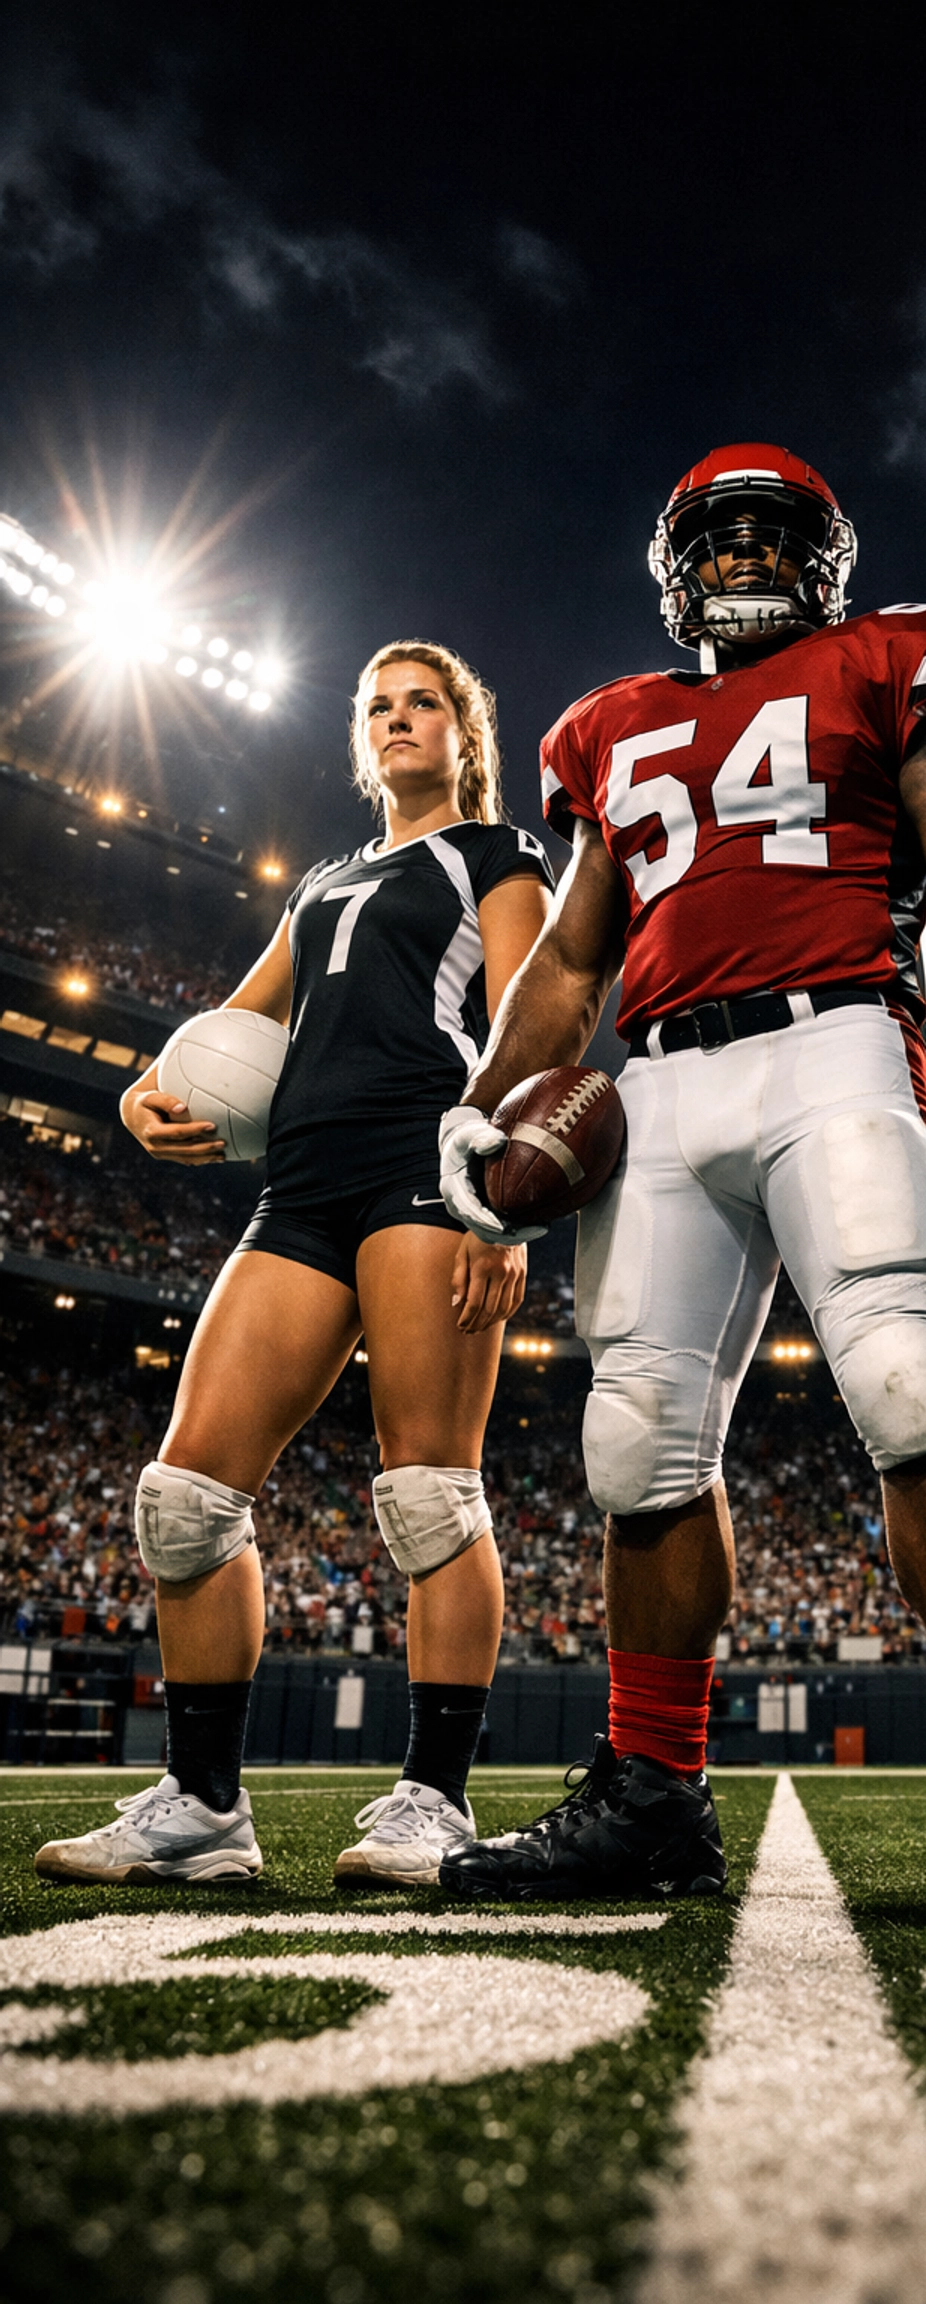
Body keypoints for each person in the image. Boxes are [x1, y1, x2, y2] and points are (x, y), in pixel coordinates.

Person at [436, 444, 926, 1926]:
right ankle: (653, 1795)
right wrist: (476, 1110)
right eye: (719, 539)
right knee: (637, 1437)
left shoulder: (896, 661)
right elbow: (571, 957)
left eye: (768, 535)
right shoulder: (611, 727)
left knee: (908, 1387)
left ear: (822, 555)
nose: (743, 559)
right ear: (679, 568)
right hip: (661, 1085)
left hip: (837, 1045)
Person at [34, 642, 554, 1891]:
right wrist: (142, 1093)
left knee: (431, 1490)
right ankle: (204, 1811)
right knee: (186, 1498)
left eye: (423, 702)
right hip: (302, 1183)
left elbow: (538, 1017)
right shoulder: (321, 881)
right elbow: (237, 1020)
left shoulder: (501, 855)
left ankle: (433, 1801)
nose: (397, 720)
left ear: (464, 734)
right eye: (377, 705)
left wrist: (508, 1205)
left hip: (427, 1165)